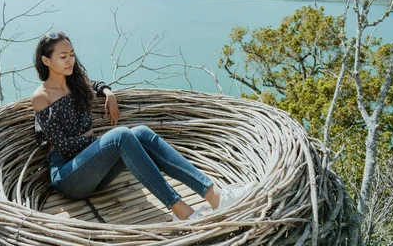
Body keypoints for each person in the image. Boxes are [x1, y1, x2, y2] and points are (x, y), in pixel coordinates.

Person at [31, 30, 254, 221]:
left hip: (94, 173)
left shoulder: (76, 83)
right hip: (69, 175)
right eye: (62, 56)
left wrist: (108, 92)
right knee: (120, 136)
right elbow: (66, 147)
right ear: (46, 61)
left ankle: (214, 195)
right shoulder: (41, 97)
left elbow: (95, 84)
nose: (70, 60)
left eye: (71, 54)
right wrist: (101, 143)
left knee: (141, 132)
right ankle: (182, 213)